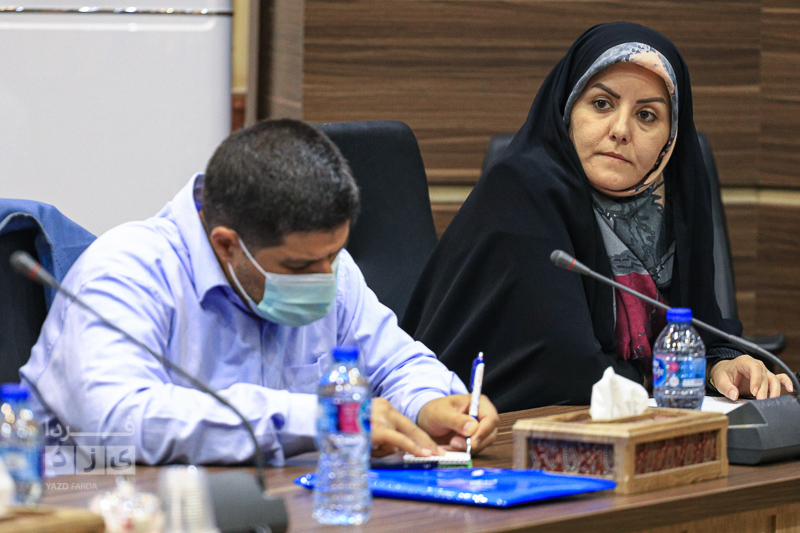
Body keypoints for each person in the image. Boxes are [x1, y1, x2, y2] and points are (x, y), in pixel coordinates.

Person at [20, 119, 498, 468]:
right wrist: (318, 418)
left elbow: (395, 363)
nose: (325, 277)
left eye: (334, 255)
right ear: (227, 245)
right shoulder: (125, 270)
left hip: (276, 506)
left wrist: (428, 403)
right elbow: (117, 418)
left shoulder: (327, 265)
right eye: (300, 266)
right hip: (103, 508)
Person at [402, 22, 794, 412]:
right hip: (489, 431)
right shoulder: (521, 190)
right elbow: (566, 366)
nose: (621, 130)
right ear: (568, 108)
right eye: (602, 104)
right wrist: (671, 377)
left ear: (670, 137)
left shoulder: (674, 201)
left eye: (647, 115)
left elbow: (698, 327)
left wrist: (719, 366)